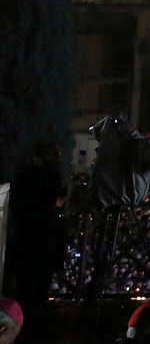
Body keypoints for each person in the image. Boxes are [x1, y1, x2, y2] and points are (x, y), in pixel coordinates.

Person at [3, 141, 64, 344]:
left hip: (26, 242)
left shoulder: (26, 177)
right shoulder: (49, 178)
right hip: (42, 243)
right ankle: (31, 330)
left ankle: (21, 327)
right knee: (36, 292)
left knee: (25, 289)